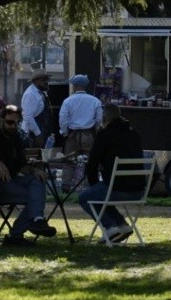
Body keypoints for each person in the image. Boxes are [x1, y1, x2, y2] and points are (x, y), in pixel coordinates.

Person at [0, 105, 56, 247]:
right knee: (35, 198)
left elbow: (21, 165)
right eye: (10, 122)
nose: (13, 126)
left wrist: (35, 171)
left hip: (12, 180)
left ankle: (37, 220)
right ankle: (17, 234)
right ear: (1, 121)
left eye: (17, 122)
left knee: (38, 181)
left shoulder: (15, 136)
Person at [78, 104, 145, 244]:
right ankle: (122, 225)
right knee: (101, 194)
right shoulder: (134, 134)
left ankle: (109, 226)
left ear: (104, 118)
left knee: (86, 197)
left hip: (116, 188)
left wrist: (94, 183)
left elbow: (93, 163)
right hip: (139, 190)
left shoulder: (104, 134)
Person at [58, 74, 103, 188]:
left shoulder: (68, 101)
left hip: (73, 135)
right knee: (90, 162)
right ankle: (90, 185)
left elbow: (63, 120)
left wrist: (65, 133)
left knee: (69, 162)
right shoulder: (95, 101)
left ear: (75, 86)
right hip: (89, 134)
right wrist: (95, 129)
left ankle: (66, 187)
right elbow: (99, 119)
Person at [21, 68, 53, 148]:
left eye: (46, 79)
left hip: (41, 131)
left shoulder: (40, 93)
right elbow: (28, 116)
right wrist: (38, 134)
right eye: (43, 80)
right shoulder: (31, 94)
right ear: (36, 81)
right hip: (33, 135)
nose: (46, 82)